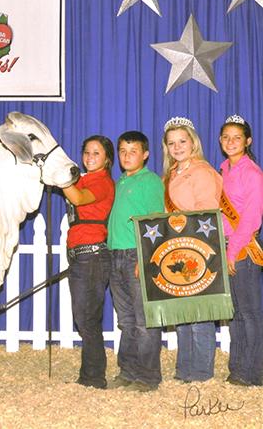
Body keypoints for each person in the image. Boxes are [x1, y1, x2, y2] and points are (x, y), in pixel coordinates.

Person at [162, 116, 222, 383]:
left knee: (199, 313)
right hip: (177, 249)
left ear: (193, 142)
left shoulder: (202, 172)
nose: (177, 147)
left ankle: (200, 372)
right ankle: (184, 369)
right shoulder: (171, 174)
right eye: (172, 143)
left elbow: (207, 214)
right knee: (183, 313)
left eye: (182, 141)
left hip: (197, 247)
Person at [107, 131, 164, 392]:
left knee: (143, 320)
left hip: (135, 254)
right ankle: (127, 371)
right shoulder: (119, 181)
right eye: (122, 151)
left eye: (133, 151)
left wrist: (146, 256)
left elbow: (155, 221)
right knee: (126, 320)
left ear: (145, 154)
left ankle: (149, 377)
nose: (127, 156)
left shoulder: (151, 181)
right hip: (115, 254)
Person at [62, 135, 115, 389]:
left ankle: (94, 378)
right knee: (83, 317)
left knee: (87, 318)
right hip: (80, 252)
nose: (89, 157)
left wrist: (59, 178)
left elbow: (79, 199)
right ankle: (90, 374)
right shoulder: (84, 179)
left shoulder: (103, 182)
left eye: (96, 153)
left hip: (92, 253)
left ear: (107, 159)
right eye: (86, 152)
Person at [218, 115, 263, 387]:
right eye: (225, 137)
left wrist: (233, 251)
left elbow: (251, 218)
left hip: (243, 249)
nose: (230, 142)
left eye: (236, 137)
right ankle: (238, 369)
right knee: (234, 311)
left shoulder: (252, 173)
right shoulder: (223, 170)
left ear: (248, 141)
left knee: (250, 312)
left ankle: (254, 371)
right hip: (226, 247)